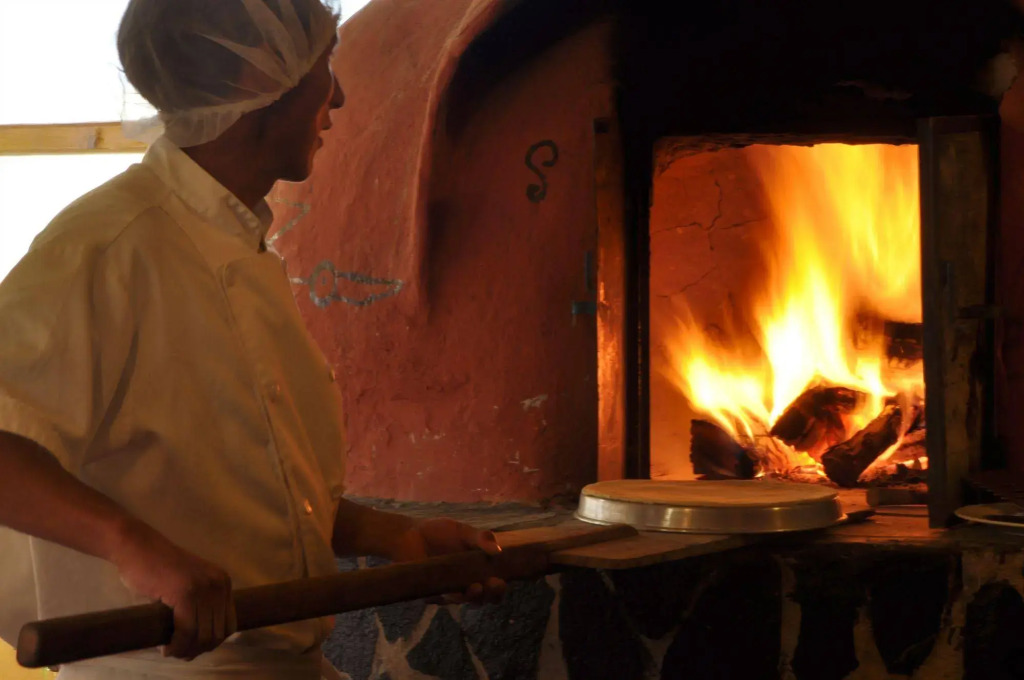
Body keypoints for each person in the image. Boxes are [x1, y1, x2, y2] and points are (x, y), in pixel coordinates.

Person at [0, 1, 503, 678]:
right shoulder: (107, 246)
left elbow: (242, 488)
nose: (341, 96)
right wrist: (132, 547)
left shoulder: (239, 248)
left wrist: (394, 535)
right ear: (253, 84)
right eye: (323, 67)